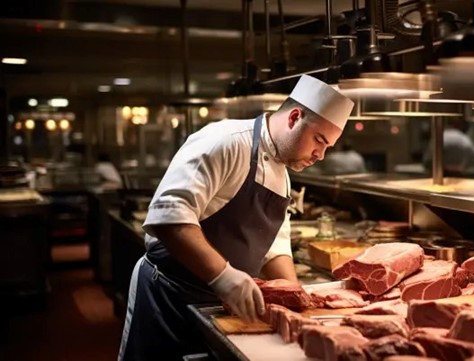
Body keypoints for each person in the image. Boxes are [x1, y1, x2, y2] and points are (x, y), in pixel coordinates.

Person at [117, 75, 354, 361]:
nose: (321, 154)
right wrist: (224, 276)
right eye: (319, 140)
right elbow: (169, 217)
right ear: (294, 117)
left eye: (328, 146)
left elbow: (273, 246)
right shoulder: (225, 141)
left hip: (220, 308)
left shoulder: (284, 174)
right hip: (168, 297)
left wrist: (295, 298)